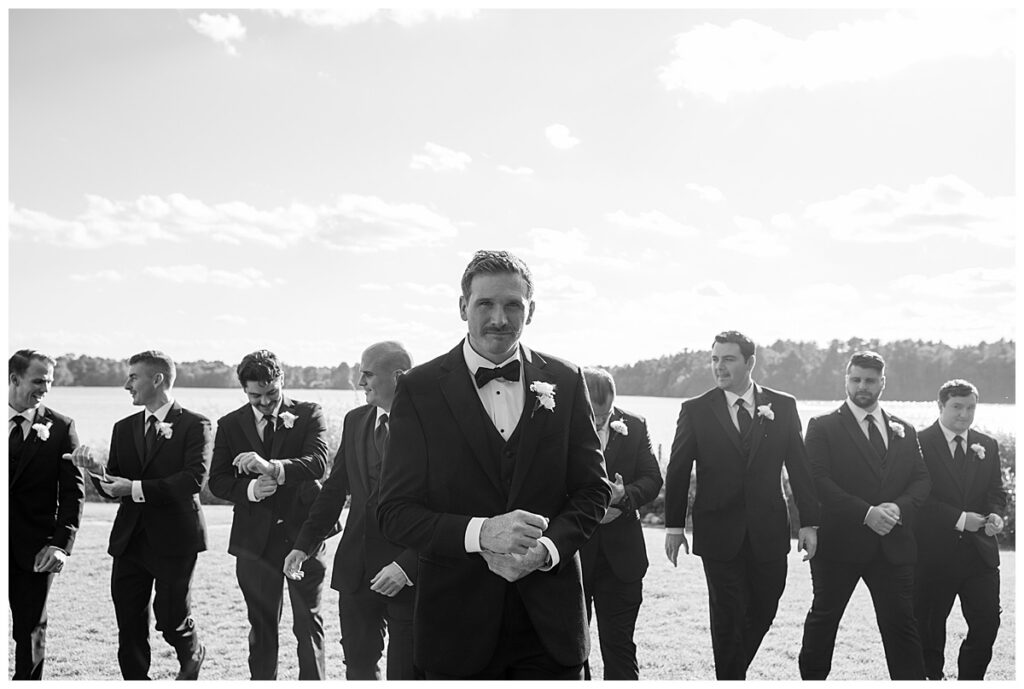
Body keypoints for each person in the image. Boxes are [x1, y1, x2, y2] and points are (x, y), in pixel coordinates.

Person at [376, 249, 611, 680]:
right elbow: (395, 513)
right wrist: (481, 532)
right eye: (485, 304)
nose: (499, 318)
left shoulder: (566, 379)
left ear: (531, 310)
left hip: (550, 629)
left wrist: (546, 551)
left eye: (512, 305)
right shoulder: (419, 390)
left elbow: (593, 490)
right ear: (462, 306)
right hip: (455, 629)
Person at [663, 330, 820, 679]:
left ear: (750, 362)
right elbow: (677, 469)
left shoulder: (783, 405)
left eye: (728, 359)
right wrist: (674, 526)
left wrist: (809, 522)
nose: (719, 367)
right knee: (727, 614)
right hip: (717, 530)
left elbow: (799, 466)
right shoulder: (696, 409)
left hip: (769, 529)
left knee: (766, 605)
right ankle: (731, 679)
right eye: (715, 359)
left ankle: (731, 673)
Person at [70, 350, 210, 680]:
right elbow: (112, 485)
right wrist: (96, 472)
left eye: (133, 377)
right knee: (129, 622)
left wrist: (134, 488)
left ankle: (193, 652)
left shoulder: (195, 424)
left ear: (157, 379)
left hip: (176, 539)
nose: (125, 385)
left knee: (170, 616)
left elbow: (192, 480)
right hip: (130, 539)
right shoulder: (123, 428)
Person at [284, 342, 417, 680]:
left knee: (408, 671)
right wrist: (303, 545)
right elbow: (333, 491)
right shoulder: (356, 420)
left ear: (398, 376)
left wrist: (406, 565)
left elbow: (446, 502)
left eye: (368, 374)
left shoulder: (430, 424)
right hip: (356, 570)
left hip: (410, 573)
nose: (360, 383)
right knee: (357, 666)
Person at [798, 350, 930, 680]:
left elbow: (922, 479)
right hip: (839, 545)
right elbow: (817, 480)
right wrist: (866, 513)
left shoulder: (905, 429)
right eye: (855, 379)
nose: (862, 386)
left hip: (893, 544)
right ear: (846, 379)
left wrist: (898, 508)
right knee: (824, 619)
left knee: (902, 624)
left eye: (870, 380)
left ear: (882, 383)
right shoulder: (823, 425)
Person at [208, 349, 329, 680]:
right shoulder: (230, 425)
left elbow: (318, 462)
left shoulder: (308, 413)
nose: (263, 402)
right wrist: (249, 490)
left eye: (271, 393)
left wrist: (272, 468)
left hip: (303, 537)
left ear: (282, 381)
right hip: (253, 543)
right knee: (261, 628)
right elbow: (217, 480)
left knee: (308, 624)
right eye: (255, 396)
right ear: (244, 390)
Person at [913, 379, 1006, 680]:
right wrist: (959, 518)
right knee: (929, 626)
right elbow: (917, 498)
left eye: (970, 407)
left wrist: (996, 515)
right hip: (932, 554)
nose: (964, 414)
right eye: (957, 407)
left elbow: (996, 491)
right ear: (940, 406)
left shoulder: (987, 444)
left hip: (979, 555)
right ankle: (932, 679)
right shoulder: (917, 442)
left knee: (987, 622)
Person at [579, 367, 663, 680]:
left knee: (620, 646)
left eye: (606, 414)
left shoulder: (636, 426)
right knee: (573, 647)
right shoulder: (558, 424)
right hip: (574, 555)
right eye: (594, 415)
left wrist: (624, 495)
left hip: (623, 559)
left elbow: (653, 479)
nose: (600, 422)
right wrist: (590, 511)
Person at [8, 350, 85, 680]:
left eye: (50, 382)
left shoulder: (61, 427)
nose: (45, 389)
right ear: (14, 379)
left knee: (30, 631)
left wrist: (61, 545)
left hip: (35, 548)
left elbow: (73, 493)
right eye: (38, 381)